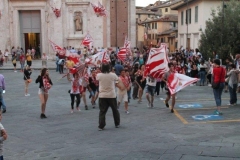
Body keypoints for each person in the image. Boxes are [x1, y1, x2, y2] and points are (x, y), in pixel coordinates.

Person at [96, 63, 123, 131]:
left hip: (102, 95)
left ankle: (101, 125)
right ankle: (117, 123)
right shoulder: (113, 75)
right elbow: (117, 79)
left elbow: (97, 78)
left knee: (102, 111)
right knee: (115, 110)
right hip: (111, 95)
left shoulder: (99, 75)